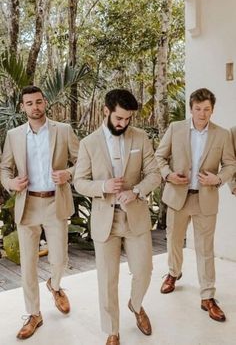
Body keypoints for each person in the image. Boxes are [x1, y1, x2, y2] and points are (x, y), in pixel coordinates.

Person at [74, 89, 160, 345]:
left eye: (128, 119)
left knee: (144, 270)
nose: (124, 123)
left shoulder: (141, 138)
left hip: (134, 216)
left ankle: (136, 305)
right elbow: (79, 182)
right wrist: (103, 187)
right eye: (119, 118)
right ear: (106, 111)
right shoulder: (88, 143)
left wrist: (136, 191)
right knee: (107, 278)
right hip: (104, 221)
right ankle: (112, 330)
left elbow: (154, 174)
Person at [1, 85, 79, 339]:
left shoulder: (63, 130)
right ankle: (34, 314)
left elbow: (83, 162)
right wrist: (11, 183)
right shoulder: (14, 135)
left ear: (45, 102)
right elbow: (5, 168)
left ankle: (55, 286)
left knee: (59, 259)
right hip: (28, 205)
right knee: (28, 265)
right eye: (29, 103)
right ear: (22, 107)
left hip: (55, 203)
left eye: (38, 101)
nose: (34, 107)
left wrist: (68, 173)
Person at [156, 88, 236, 322]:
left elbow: (231, 165)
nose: (202, 114)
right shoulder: (175, 128)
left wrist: (218, 179)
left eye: (207, 109)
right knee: (173, 241)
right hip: (178, 197)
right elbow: (159, 157)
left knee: (205, 248)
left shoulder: (222, 135)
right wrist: (168, 175)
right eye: (198, 109)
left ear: (212, 110)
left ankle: (207, 296)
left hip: (206, 198)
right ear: (191, 108)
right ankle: (173, 273)